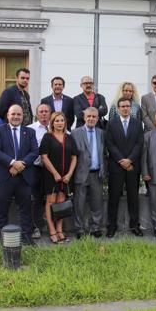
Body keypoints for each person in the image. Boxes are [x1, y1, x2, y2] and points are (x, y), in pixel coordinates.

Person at [0, 105, 40, 244]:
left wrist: (20, 165)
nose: (16, 117)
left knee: (25, 209)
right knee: (1, 209)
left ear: (22, 116)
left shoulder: (29, 132)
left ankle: (26, 237)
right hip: (4, 177)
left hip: (24, 177)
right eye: (13, 114)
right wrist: (12, 162)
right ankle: (1, 238)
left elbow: (34, 152)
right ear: (8, 115)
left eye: (19, 114)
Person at [105, 97, 144, 238]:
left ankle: (135, 226)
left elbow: (139, 144)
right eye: (122, 106)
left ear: (131, 107)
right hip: (116, 166)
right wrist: (122, 160)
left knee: (133, 198)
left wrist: (130, 160)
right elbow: (109, 144)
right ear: (118, 108)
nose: (125, 108)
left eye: (128, 106)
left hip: (132, 167)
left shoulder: (138, 123)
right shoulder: (111, 123)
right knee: (113, 198)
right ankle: (112, 226)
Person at [40, 112, 78, 243]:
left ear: (65, 122)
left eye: (62, 120)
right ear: (52, 122)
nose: (60, 123)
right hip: (52, 176)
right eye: (57, 121)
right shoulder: (47, 137)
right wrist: (55, 173)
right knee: (50, 202)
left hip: (66, 177)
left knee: (61, 202)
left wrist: (69, 174)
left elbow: (74, 157)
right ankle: (51, 230)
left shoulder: (69, 138)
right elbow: (44, 156)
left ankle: (59, 229)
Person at [70, 107, 106, 238]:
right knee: (79, 203)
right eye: (89, 116)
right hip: (81, 173)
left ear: (97, 118)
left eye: (94, 117)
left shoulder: (101, 133)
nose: (91, 119)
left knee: (97, 202)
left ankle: (95, 227)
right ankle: (79, 229)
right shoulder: (75, 133)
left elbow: (103, 153)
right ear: (84, 118)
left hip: (97, 173)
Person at [28, 103, 52, 239]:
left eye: (46, 111)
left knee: (52, 198)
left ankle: (52, 225)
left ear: (50, 113)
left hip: (53, 171)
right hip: (36, 169)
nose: (44, 114)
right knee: (36, 199)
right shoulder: (30, 129)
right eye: (41, 111)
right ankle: (35, 227)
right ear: (37, 114)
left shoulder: (57, 128)